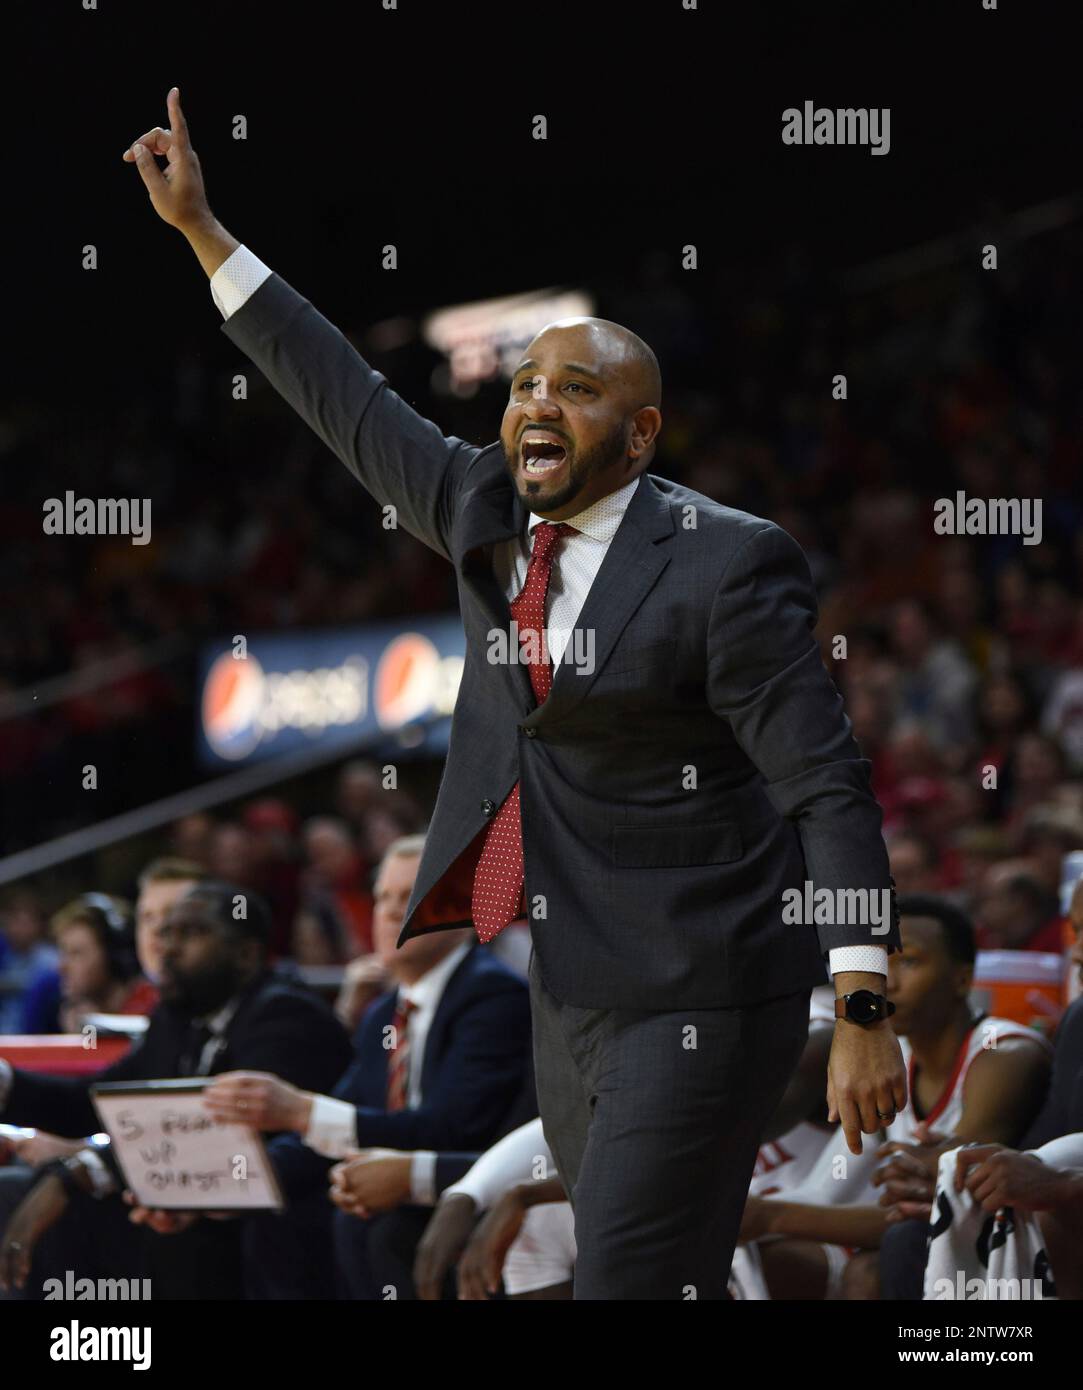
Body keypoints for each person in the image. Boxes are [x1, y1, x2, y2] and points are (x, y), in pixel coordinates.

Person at [123, 89, 906, 1300]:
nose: (538, 400)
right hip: (573, 983)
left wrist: (859, 994)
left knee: (627, 1278)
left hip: (709, 981)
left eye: (577, 389)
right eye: (529, 382)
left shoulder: (725, 560)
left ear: (639, 436)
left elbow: (825, 783)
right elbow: (339, 390)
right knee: (666, 1273)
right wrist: (204, 236)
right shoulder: (480, 504)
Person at [200, 835, 531, 1299]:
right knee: (283, 1216)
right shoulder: (383, 1012)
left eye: (410, 896)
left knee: (375, 1227)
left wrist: (301, 1111)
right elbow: (347, 1116)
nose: (391, 912)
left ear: (464, 913)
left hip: (474, 1192)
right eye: (382, 898)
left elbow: (453, 1128)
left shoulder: (492, 995)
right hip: (406, 1206)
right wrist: (228, 1183)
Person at [0, 881, 352, 1299]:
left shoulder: (285, 1015)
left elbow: (215, 1131)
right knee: (31, 1195)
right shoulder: (178, 1017)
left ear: (245, 953)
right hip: (197, 1201)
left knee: (124, 1213)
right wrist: (7, 1083)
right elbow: (93, 1100)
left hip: (281, 1205)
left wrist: (77, 1172)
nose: (167, 948)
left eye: (191, 934)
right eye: (166, 933)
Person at [736, 895, 1054, 1298]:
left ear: (962, 979)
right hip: (911, 1235)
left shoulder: (1003, 1054)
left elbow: (949, 1205)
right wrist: (754, 1215)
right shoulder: (893, 1058)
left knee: (869, 1273)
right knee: (744, 1251)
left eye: (910, 961)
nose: (889, 980)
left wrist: (770, 1216)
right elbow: (825, 1191)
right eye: (882, 961)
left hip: (1008, 1249)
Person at [49, 895, 155, 1033]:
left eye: (76, 953)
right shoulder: (74, 1015)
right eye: (63, 953)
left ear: (114, 956)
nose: (61, 967)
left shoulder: (152, 1011)